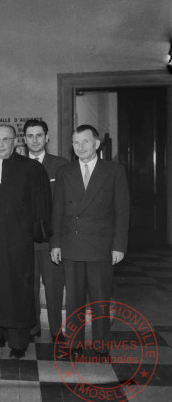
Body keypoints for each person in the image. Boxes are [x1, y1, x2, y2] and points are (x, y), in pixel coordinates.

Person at [0, 124, 52, 359]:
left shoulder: (31, 169)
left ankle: (18, 342)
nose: (1, 144)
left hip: (17, 244)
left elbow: (41, 205)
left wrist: (37, 232)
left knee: (15, 291)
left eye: (6, 140)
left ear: (16, 141)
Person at [50, 124, 130, 360]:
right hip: (71, 244)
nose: (81, 147)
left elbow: (122, 211)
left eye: (86, 142)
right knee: (73, 298)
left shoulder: (113, 171)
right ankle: (74, 343)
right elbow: (57, 211)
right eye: (76, 143)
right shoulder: (65, 171)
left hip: (101, 246)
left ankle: (101, 346)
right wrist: (56, 243)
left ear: (96, 144)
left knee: (100, 298)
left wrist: (119, 245)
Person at [23, 119, 69, 344]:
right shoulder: (17, 164)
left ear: (47, 137)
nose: (34, 140)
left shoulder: (61, 165)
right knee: (28, 286)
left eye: (39, 135)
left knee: (54, 287)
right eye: (30, 136)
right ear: (24, 139)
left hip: (52, 240)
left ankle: (56, 330)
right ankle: (31, 328)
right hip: (25, 240)